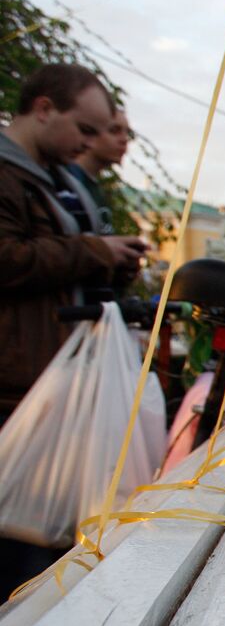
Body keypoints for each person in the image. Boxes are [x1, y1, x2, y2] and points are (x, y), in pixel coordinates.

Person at [0, 63, 146, 590]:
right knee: (19, 532)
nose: (87, 143)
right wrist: (91, 251)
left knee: (43, 536)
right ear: (43, 110)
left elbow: (59, 264)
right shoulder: (11, 173)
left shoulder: (50, 177)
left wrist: (112, 263)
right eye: (84, 129)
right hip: (18, 381)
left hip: (52, 375)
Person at [67, 104, 130, 235]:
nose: (124, 139)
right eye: (114, 130)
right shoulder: (67, 183)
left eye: (127, 132)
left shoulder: (93, 186)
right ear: (89, 132)